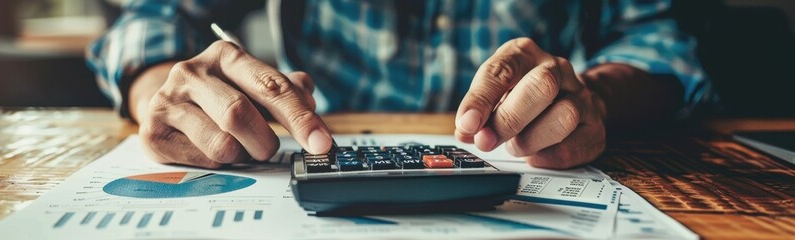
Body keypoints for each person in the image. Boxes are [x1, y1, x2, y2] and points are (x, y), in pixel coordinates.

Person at [87, 0, 710, 169]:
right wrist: (157, 92)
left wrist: (595, 96)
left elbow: (658, 41)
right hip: (319, 159)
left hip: (521, 158)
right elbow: (151, 15)